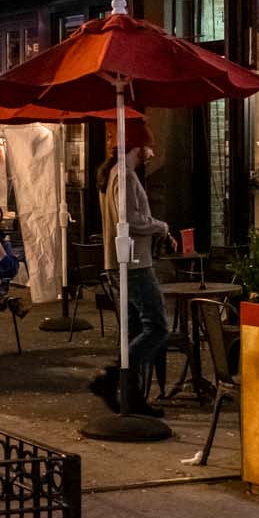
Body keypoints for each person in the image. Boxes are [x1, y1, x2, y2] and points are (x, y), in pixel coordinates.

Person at [90, 140, 170, 418]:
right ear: (138, 145)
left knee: (133, 332)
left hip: (121, 262)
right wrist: (161, 226)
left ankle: (132, 396)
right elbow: (131, 219)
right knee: (157, 327)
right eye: (150, 144)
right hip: (134, 263)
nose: (153, 151)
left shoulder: (114, 174)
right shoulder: (124, 175)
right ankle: (111, 376)